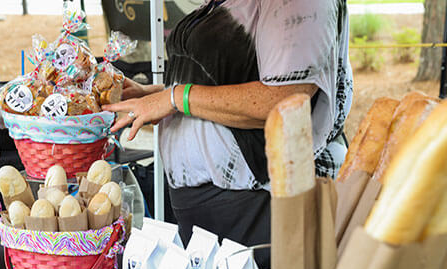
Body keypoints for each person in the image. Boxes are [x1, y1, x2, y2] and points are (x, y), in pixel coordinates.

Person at [103, 0, 352, 250]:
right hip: (211, 204)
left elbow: (282, 99)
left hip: (259, 203)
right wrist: (153, 96)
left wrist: (174, 98)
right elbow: (220, 85)